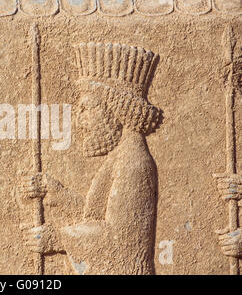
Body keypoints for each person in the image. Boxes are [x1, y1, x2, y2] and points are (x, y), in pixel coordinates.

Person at [18, 42, 163, 274]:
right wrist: (56, 193)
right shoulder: (120, 158)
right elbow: (96, 217)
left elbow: (117, 237)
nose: (80, 121)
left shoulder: (134, 163)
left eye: (87, 109)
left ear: (115, 110)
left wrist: (59, 238)